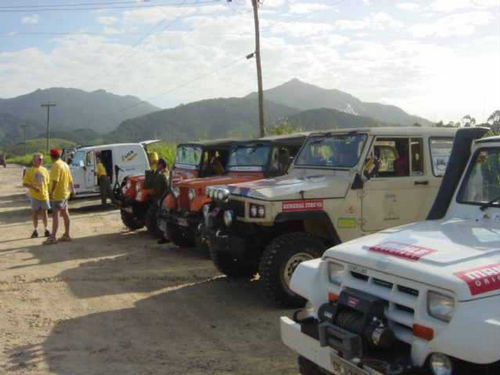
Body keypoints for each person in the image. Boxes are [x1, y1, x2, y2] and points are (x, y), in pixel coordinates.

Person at [44, 148, 74, 245]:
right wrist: (72, 190)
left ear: (51, 156)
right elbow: (70, 180)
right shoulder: (65, 164)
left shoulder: (56, 165)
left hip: (57, 195)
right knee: (65, 213)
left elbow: (55, 181)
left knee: (55, 216)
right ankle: (67, 234)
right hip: (65, 193)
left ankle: (53, 237)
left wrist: (51, 193)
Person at [22, 153, 50, 238]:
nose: (41, 161)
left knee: (45, 213)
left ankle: (46, 229)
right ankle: (35, 230)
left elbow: (48, 183)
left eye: (42, 159)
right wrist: (34, 187)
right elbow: (25, 183)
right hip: (34, 196)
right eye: (39, 159)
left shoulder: (45, 170)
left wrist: (50, 192)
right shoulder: (29, 171)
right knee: (35, 213)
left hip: (44, 195)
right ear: (34, 161)